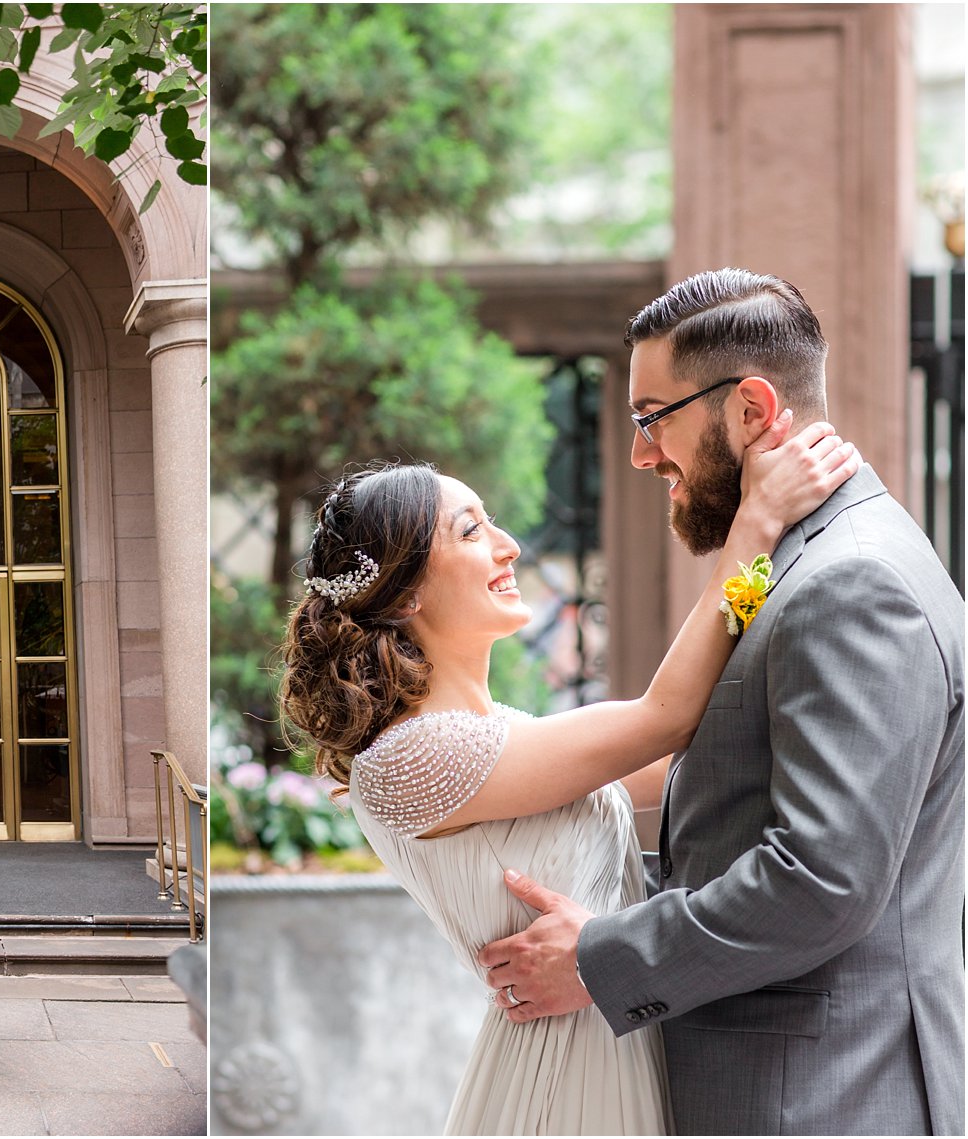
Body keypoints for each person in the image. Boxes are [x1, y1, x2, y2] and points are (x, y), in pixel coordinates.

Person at [480, 269, 965, 1137]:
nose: (640, 452)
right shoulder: (793, 560)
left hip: (823, 1097)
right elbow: (714, 746)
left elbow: (823, 881)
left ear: (749, 408)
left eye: (651, 417)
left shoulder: (851, 583)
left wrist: (600, 958)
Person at [278, 410, 856, 1134]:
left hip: (612, 1050)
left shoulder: (509, 740)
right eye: (469, 531)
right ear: (404, 595)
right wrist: (758, 524)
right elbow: (667, 717)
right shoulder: (410, 756)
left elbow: (691, 742)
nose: (508, 546)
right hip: (557, 1088)